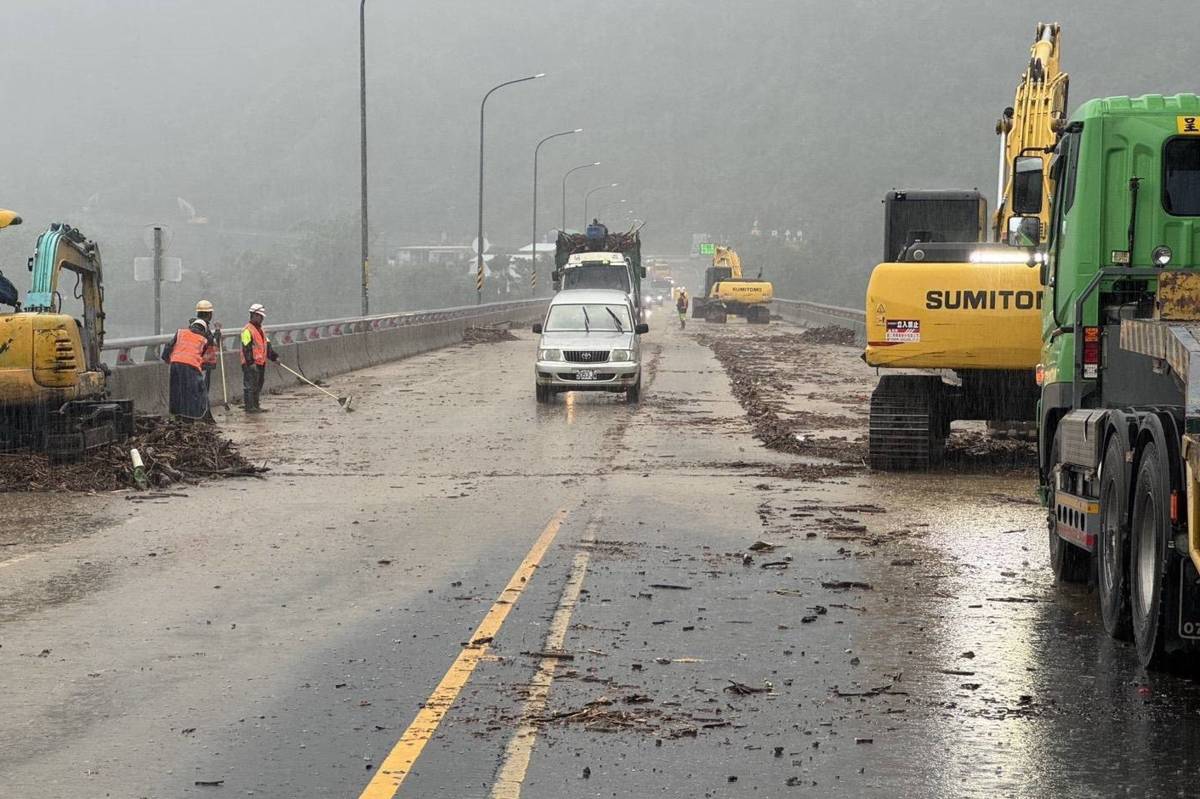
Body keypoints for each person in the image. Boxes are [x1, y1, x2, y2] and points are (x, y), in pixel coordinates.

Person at [161, 318, 211, 421]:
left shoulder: (181, 332)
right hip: (191, 366)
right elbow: (202, 356)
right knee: (191, 393)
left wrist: (166, 358)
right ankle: (189, 418)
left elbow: (169, 346)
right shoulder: (203, 340)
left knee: (176, 390)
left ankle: (176, 415)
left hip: (175, 363)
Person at [241, 303, 278, 413]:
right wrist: (250, 362)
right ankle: (249, 407)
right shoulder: (247, 330)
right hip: (250, 363)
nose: (262, 319)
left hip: (260, 362)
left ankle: (256, 405)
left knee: (258, 384)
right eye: (260, 316)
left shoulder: (261, 330)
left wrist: (274, 357)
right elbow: (246, 347)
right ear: (254, 315)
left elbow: (267, 346)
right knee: (250, 386)